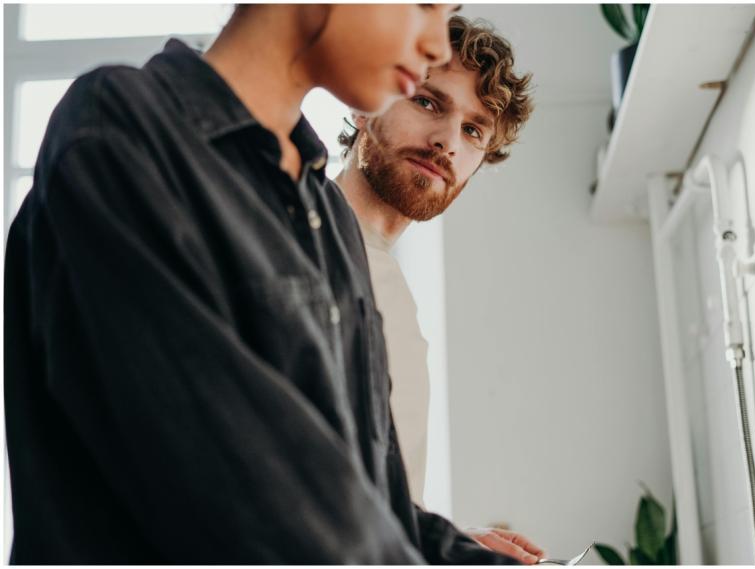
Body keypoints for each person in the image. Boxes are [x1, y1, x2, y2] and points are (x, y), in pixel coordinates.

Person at [4, 5, 519, 564]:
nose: (433, 45)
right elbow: (243, 486)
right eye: (424, 6)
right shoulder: (123, 128)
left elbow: (379, 502)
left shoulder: (325, 211)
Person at [335, 15, 539, 564]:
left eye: (474, 131)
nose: (447, 141)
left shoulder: (385, 277)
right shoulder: (301, 249)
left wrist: (441, 537)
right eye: (429, 102)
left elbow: (368, 496)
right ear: (362, 101)